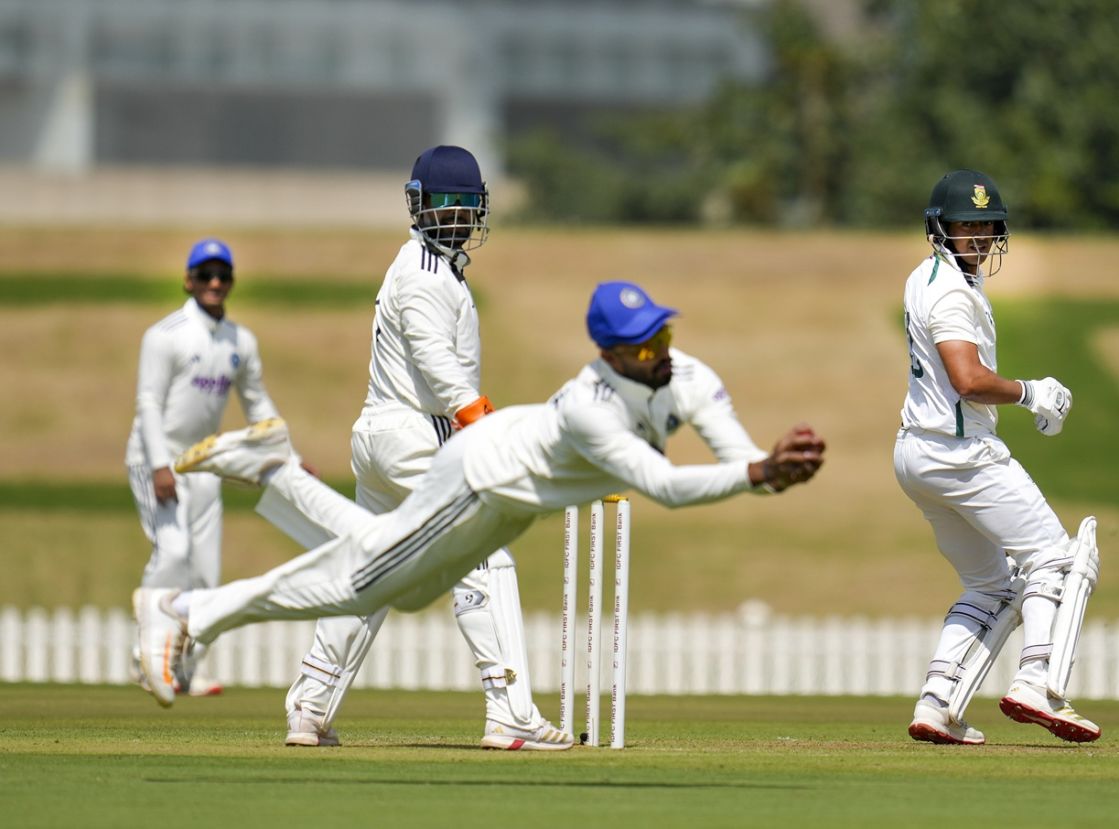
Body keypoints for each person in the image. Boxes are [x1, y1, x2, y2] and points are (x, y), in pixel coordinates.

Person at [133, 281, 826, 721]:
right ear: (610, 357)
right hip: (478, 479)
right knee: (355, 584)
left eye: (664, 337)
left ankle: (276, 471)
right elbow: (668, 489)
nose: (662, 354)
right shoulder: (589, 407)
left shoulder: (690, 374)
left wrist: (771, 469)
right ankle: (188, 611)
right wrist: (762, 473)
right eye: (645, 348)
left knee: (391, 580)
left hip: (508, 505)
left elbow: (742, 462)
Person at [242, 145, 571, 750]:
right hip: (416, 436)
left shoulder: (427, 266)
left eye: (465, 206)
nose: (457, 218)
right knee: (488, 557)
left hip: (384, 437)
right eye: (446, 206)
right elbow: (433, 356)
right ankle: (510, 710)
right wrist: (479, 418)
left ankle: (310, 705)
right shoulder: (422, 273)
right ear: (420, 207)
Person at [895, 169, 1101, 746]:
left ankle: (938, 703)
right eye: (967, 224)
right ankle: (1037, 680)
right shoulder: (951, 291)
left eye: (988, 224)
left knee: (990, 586)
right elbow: (967, 379)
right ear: (939, 228)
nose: (980, 236)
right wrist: (1031, 391)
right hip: (960, 453)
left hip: (916, 452)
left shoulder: (931, 277)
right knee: (1059, 561)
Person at [124, 238, 281, 696]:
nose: (215, 283)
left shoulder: (240, 341)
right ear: (188, 280)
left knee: (206, 574)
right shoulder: (164, 335)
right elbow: (148, 403)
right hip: (156, 460)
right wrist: (158, 465)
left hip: (204, 465)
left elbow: (257, 403)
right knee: (173, 552)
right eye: (206, 274)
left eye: (223, 275)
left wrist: (286, 454)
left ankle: (185, 667)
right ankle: (145, 657)